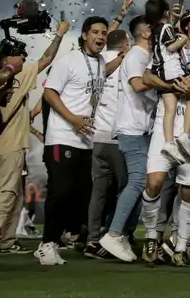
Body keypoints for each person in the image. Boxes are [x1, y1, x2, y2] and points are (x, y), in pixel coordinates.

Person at [37, 16, 122, 265]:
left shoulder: (99, 63)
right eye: (95, 32)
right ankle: (46, 244)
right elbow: (49, 92)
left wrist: (122, 58)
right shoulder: (69, 61)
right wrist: (72, 119)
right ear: (84, 35)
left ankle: (70, 236)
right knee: (60, 191)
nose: (100, 36)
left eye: (104, 33)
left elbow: (101, 74)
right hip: (62, 136)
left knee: (82, 194)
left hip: (85, 140)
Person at [138, 7, 190, 266]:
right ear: (185, 26)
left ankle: (181, 246)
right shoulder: (170, 49)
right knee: (154, 183)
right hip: (165, 128)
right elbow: (146, 77)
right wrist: (172, 86)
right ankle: (151, 235)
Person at [99, 14, 167, 262]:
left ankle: (121, 233)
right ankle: (114, 234)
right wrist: (167, 84)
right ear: (146, 32)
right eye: (157, 29)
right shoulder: (137, 55)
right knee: (138, 182)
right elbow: (138, 85)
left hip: (139, 129)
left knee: (138, 183)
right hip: (132, 130)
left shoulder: (143, 55)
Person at [0, 20, 68, 256]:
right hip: (10, 147)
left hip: (10, 144)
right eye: (17, 54)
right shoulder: (18, 74)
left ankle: (6, 241)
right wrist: (59, 34)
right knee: (6, 194)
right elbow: (46, 58)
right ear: (6, 59)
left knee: (16, 195)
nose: (22, 58)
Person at [84, 29, 131, 259]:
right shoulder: (127, 63)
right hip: (118, 137)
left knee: (99, 192)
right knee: (128, 189)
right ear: (125, 44)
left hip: (97, 137)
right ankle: (116, 235)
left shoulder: (97, 63)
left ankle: (92, 239)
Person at [148, 0, 190, 166]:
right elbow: (171, 47)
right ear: (165, 12)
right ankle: (185, 136)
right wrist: (183, 39)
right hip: (173, 70)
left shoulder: (155, 30)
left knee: (170, 109)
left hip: (162, 73)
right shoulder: (166, 27)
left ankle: (169, 143)